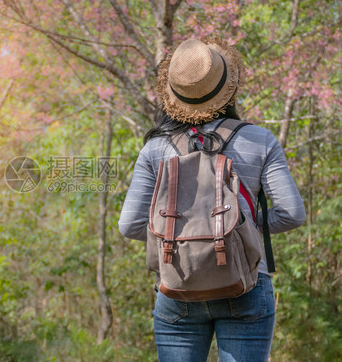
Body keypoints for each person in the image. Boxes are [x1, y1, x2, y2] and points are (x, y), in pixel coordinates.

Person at [118, 38, 306, 362]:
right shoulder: (260, 140)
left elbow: (130, 224)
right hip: (245, 283)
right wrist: (239, 229)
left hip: (178, 283)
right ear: (228, 89)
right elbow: (292, 213)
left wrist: (181, 238)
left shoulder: (155, 149)